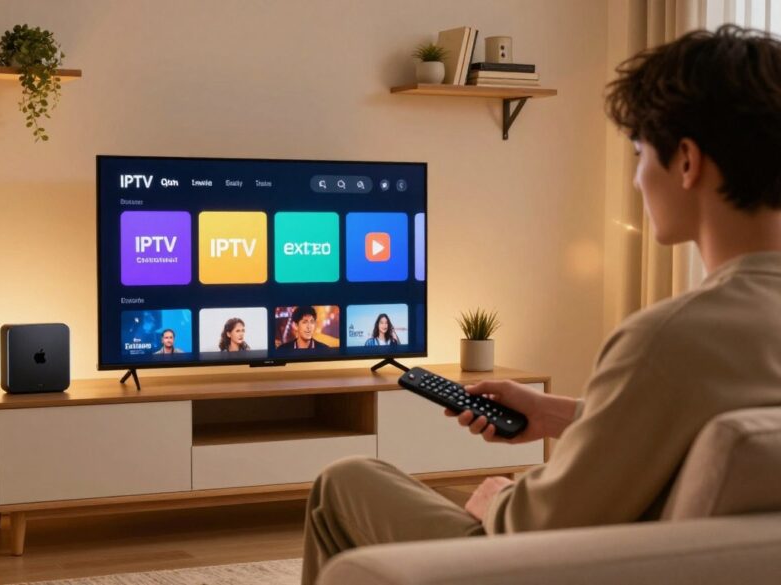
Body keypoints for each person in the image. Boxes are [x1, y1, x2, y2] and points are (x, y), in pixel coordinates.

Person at [302, 25, 781, 585]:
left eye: (639, 153)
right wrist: (563, 414)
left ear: (687, 162)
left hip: (544, 566)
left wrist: (499, 498)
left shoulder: (670, 337)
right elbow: (701, 434)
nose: (636, 178)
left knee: (345, 481)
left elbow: (538, 524)